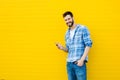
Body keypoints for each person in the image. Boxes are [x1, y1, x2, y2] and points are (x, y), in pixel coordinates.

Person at [56, 11, 92, 80]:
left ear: (73, 18)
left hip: (79, 64)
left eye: (69, 19)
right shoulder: (67, 33)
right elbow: (68, 50)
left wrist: (82, 60)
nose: (67, 21)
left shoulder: (82, 28)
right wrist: (62, 48)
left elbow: (88, 44)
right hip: (69, 64)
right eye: (65, 20)